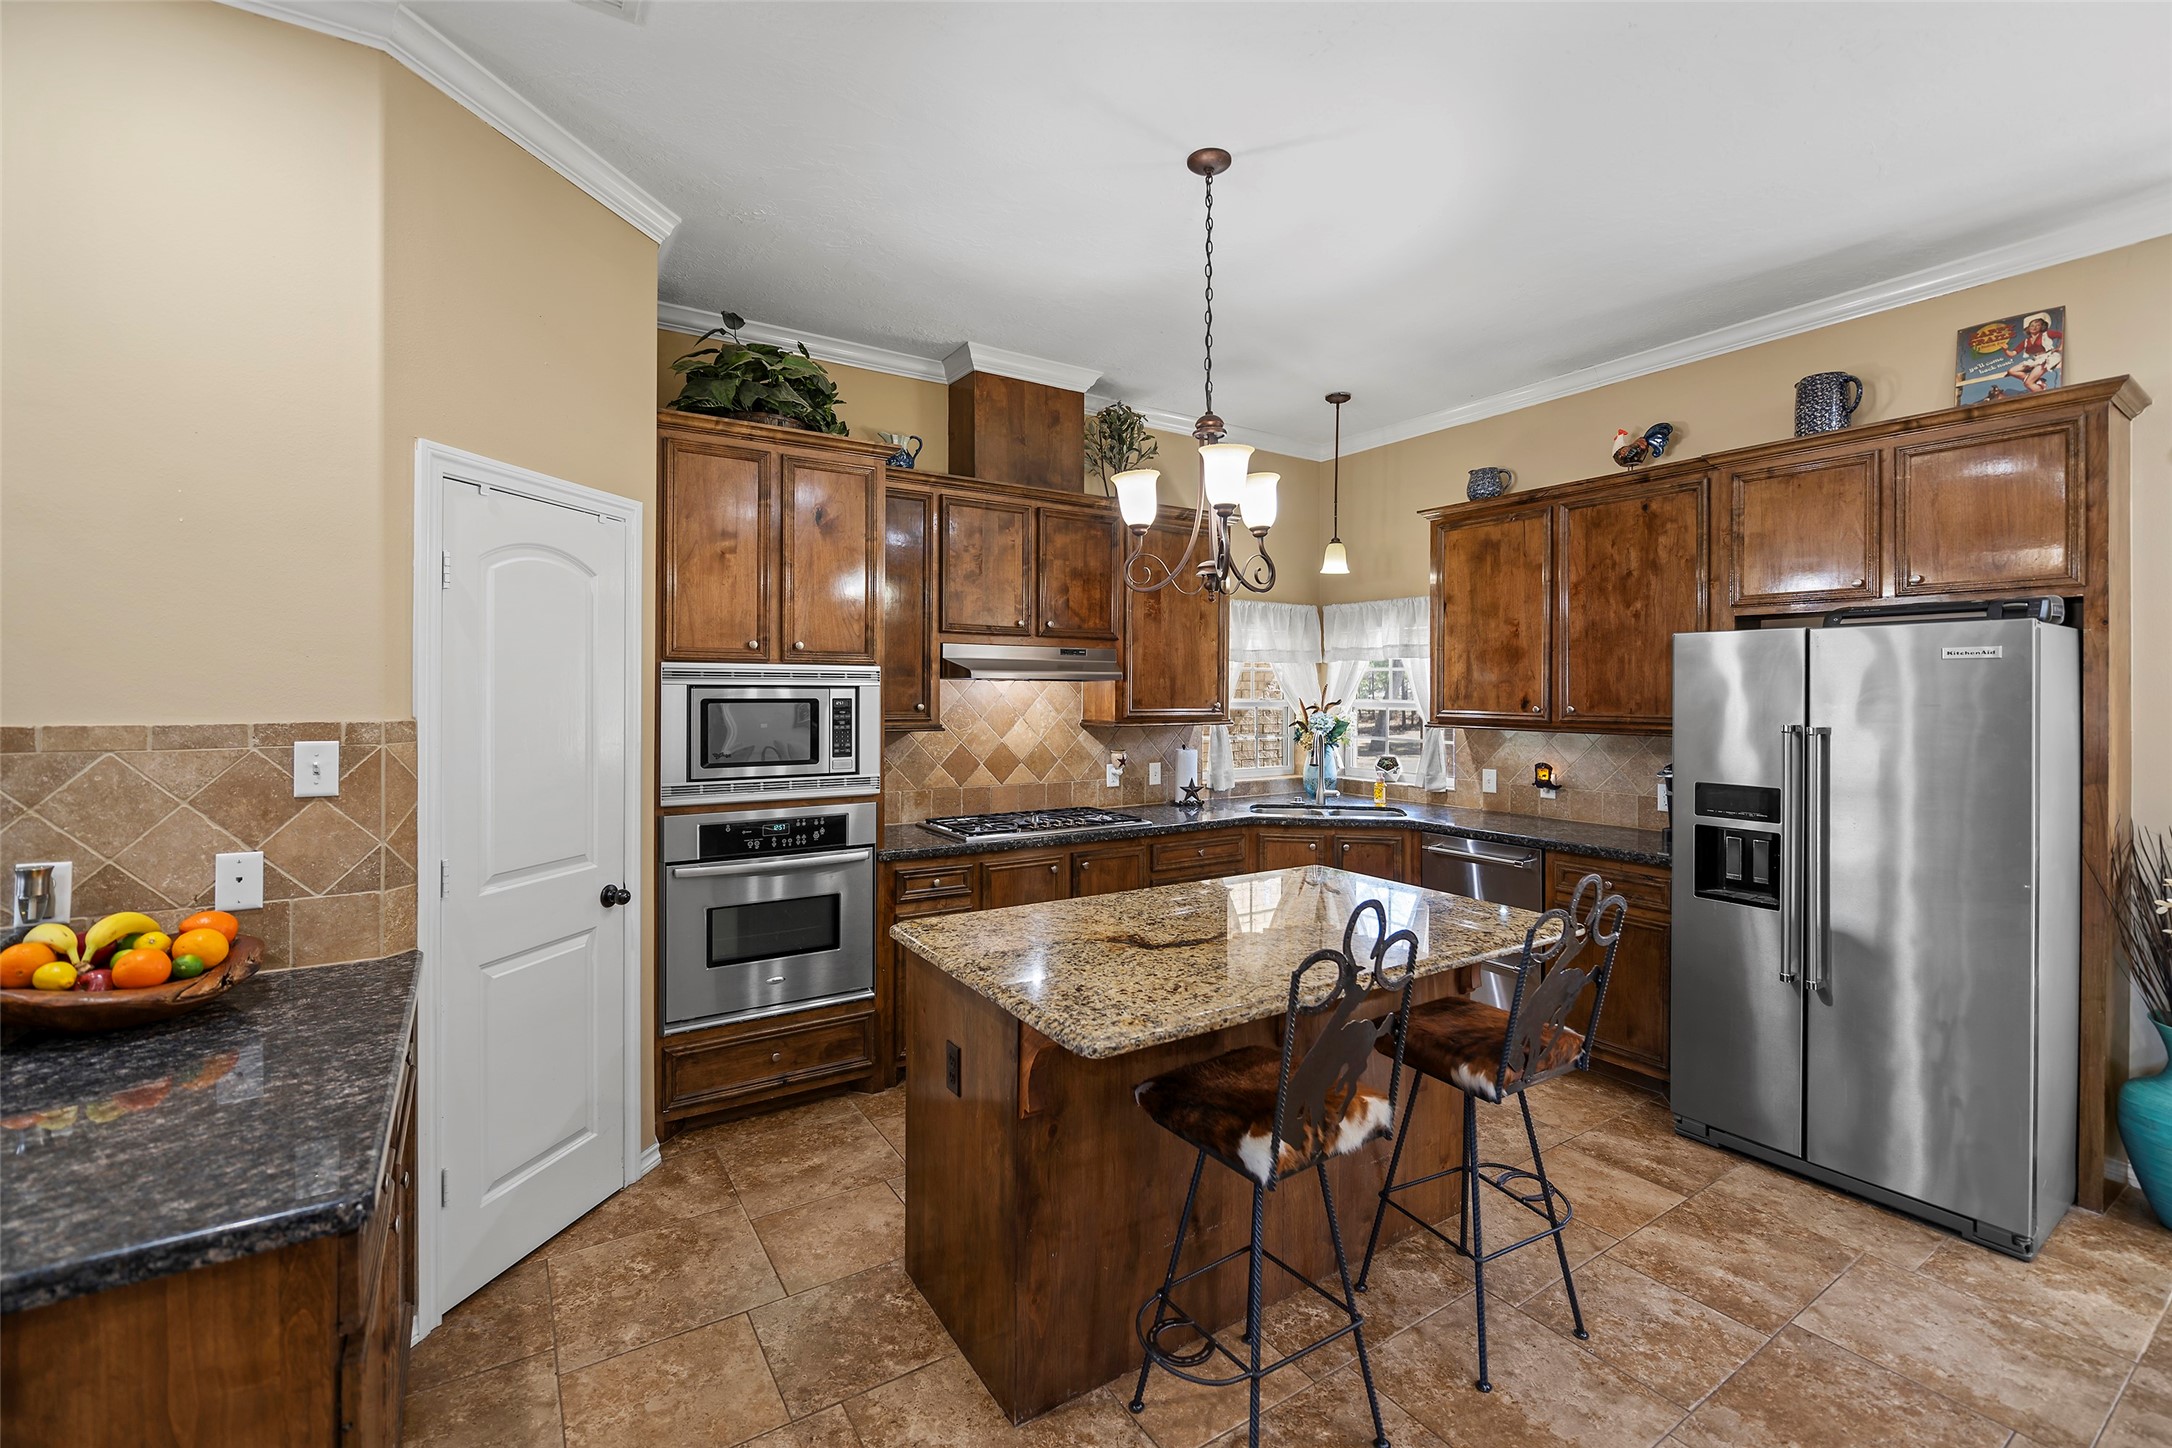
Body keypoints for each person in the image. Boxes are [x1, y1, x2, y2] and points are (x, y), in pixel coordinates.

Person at [2000, 313, 2063, 392]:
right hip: (2036, 359)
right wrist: (2005, 350)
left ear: (2042, 327)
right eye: (2032, 325)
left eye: (2038, 325)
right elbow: (2012, 354)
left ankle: (2042, 395)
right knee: (2011, 371)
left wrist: (2060, 347)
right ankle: (2037, 380)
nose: (2034, 327)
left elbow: (2062, 334)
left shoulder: (2046, 334)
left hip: (2048, 358)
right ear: (2028, 327)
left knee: (2028, 383)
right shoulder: (2026, 341)